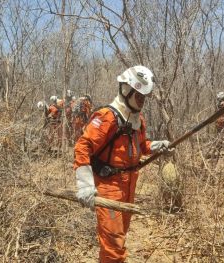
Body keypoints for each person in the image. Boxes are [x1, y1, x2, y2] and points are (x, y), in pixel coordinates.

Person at [74, 65, 174, 263]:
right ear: (127, 91)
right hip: (109, 188)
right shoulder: (107, 117)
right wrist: (85, 185)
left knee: (118, 239)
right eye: (139, 96)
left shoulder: (138, 120)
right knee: (114, 248)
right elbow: (82, 147)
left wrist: (155, 146)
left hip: (129, 187)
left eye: (144, 98)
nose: (142, 102)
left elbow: (140, 146)